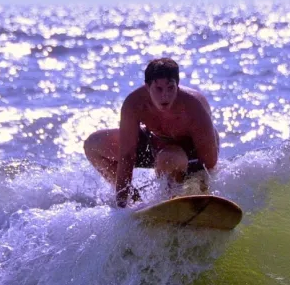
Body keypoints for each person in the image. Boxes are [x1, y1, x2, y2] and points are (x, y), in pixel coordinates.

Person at [83, 58, 219, 207]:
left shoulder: (193, 106)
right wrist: (122, 204)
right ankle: (135, 200)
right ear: (147, 87)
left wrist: (201, 193)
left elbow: (209, 163)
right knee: (93, 144)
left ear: (177, 85)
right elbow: (127, 155)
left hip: (190, 154)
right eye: (158, 89)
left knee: (168, 158)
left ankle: (174, 201)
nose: (165, 96)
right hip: (155, 144)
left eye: (170, 88)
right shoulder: (134, 104)